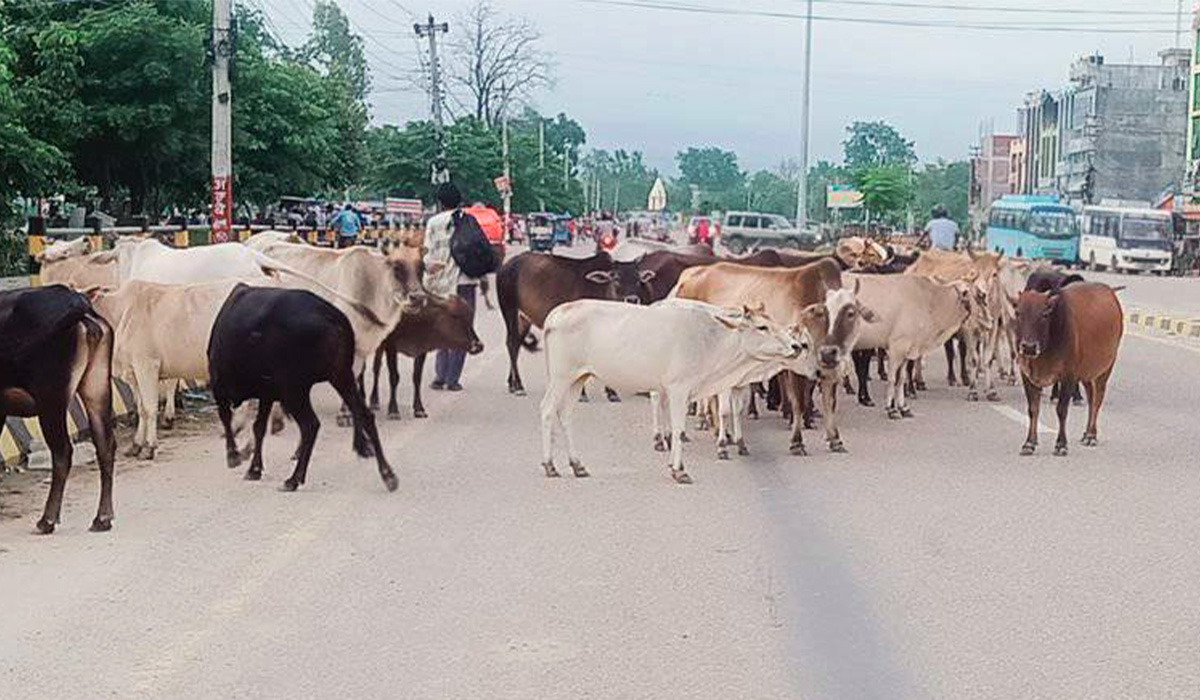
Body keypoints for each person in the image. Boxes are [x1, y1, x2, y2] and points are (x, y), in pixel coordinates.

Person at [424, 182, 478, 392]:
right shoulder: (469, 220)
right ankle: (453, 379)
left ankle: (440, 376)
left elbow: (428, 256)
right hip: (466, 283)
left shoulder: (434, 222)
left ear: (440, 202)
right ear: (460, 201)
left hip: (441, 284)